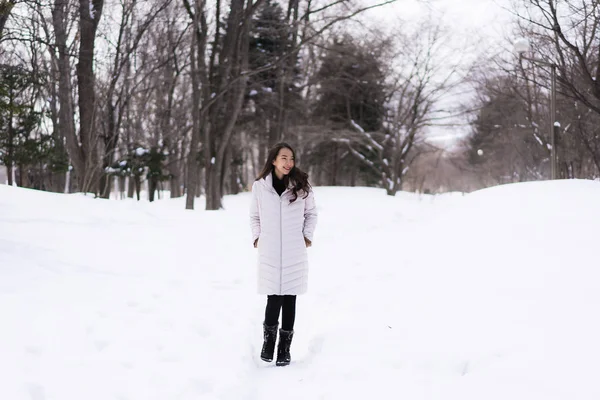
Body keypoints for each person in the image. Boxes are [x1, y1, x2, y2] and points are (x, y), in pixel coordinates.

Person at [249, 142, 318, 366]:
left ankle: (284, 349)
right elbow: (254, 216)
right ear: (274, 160)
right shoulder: (260, 187)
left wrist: (306, 236)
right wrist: (257, 237)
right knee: (273, 296)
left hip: (294, 249)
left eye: (292, 159)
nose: (289, 163)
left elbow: (312, 214)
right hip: (269, 249)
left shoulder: (301, 186)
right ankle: (268, 343)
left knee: (290, 298)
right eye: (284, 158)